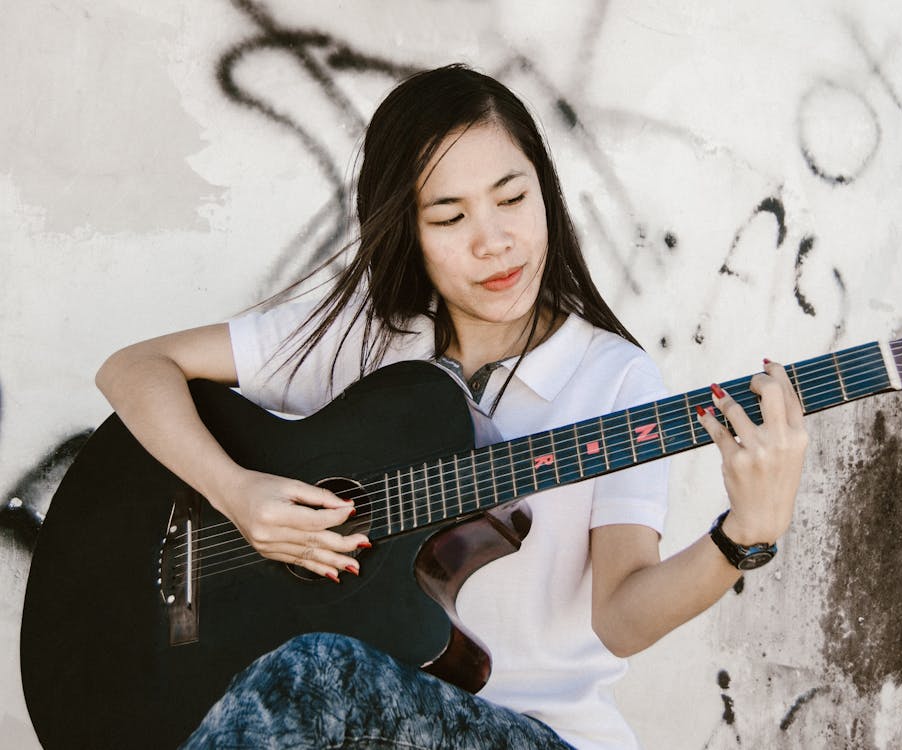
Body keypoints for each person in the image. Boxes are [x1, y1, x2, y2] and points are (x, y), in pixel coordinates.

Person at [95, 64, 808, 750]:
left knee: (318, 670)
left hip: (541, 734)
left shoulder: (614, 379)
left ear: (546, 194)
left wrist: (743, 535)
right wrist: (239, 494)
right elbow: (133, 369)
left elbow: (620, 618)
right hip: (360, 732)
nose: (492, 240)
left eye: (511, 198)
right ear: (409, 230)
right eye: (449, 216)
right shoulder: (362, 341)